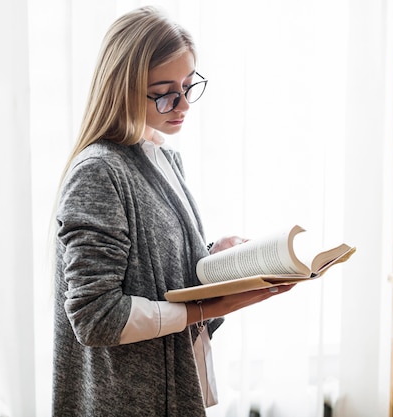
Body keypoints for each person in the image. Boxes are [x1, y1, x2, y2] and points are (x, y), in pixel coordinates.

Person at [53, 6, 292, 416]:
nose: (182, 104)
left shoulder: (162, 159)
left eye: (188, 85)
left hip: (173, 391)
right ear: (122, 87)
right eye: (165, 92)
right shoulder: (98, 172)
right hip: (127, 402)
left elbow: (154, 279)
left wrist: (214, 258)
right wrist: (211, 307)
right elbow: (95, 317)